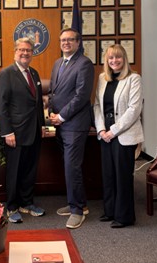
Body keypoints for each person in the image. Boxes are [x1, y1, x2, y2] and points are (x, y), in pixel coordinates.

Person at [0, 37, 46, 223]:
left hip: (33, 131)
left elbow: (38, 103)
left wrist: (41, 126)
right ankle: (12, 206)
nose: (25, 53)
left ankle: (27, 203)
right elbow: (2, 105)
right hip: (15, 133)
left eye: (28, 50)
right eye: (21, 50)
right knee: (14, 171)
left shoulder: (34, 73)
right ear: (15, 52)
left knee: (30, 169)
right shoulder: (6, 74)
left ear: (32, 53)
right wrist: (7, 132)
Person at [49, 28, 94, 229]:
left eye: (70, 40)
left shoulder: (84, 63)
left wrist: (62, 116)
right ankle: (79, 204)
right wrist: (50, 113)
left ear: (77, 43)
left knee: (72, 166)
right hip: (60, 124)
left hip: (75, 124)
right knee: (69, 166)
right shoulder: (58, 63)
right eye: (63, 40)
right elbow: (53, 91)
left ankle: (77, 211)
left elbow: (81, 95)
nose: (66, 43)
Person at [94, 44, 144, 228]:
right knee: (108, 174)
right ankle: (110, 211)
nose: (114, 61)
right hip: (105, 132)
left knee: (122, 175)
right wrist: (101, 130)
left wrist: (113, 131)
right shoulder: (102, 78)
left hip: (123, 133)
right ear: (106, 61)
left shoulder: (134, 79)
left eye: (118, 57)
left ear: (124, 59)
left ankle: (124, 216)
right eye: (110, 58)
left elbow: (134, 110)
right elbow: (97, 106)